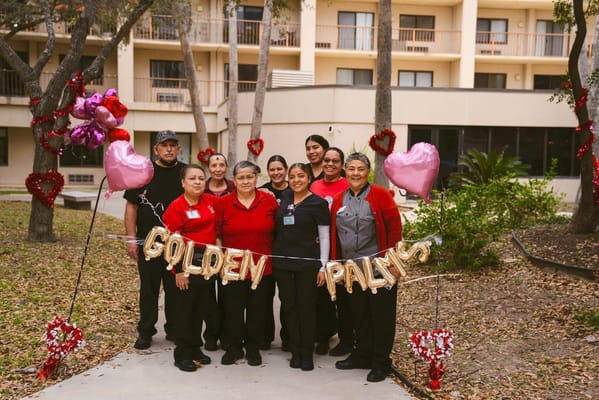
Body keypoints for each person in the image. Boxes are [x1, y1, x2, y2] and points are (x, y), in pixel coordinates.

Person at [330, 152, 403, 383]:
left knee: (380, 315)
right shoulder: (339, 198)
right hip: (352, 269)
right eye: (351, 169)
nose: (355, 173)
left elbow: (395, 229)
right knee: (358, 313)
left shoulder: (381, 195)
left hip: (379, 267)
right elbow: (334, 235)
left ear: (367, 171)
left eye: (360, 169)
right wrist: (336, 266)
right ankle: (361, 354)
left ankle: (380, 361)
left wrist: (393, 262)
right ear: (345, 171)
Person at [124, 130, 185, 350]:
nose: (169, 149)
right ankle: (146, 331)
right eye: (164, 145)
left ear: (179, 149)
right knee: (149, 290)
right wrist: (131, 239)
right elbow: (131, 206)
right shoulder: (143, 172)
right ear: (156, 149)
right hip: (148, 243)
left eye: (172, 145)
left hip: (177, 245)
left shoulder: (185, 173)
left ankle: (175, 329)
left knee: (175, 289)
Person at [215, 161, 279, 366]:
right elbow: (217, 234)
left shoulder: (268, 201)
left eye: (249, 177)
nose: (245, 181)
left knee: (257, 309)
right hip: (232, 268)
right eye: (241, 177)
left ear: (256, 178)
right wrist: (220, 260)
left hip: (262, 268)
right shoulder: (224, 203)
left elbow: (279, 232)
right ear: (234, 180)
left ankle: (253, 348)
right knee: (232, 310)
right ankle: (234, 348)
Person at [272, 163, 331, 371]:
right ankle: (295, 351)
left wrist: (323, 267)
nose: (297, 180)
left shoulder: (318, 203)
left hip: (308, 264)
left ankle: (307, 353)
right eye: (293, 176)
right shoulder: (285, 199)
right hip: (283, 263)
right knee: (289, 307)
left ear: (309, 179)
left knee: (306, 308)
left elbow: (324, 236)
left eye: (301, 176)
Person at [162, 164, 218, 372]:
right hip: (185, 263)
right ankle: (182, 353)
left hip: (207, 264)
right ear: (183, 182)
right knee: (185, 311)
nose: (197, 182)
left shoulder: (211, 201)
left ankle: (195, 348)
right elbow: (171, 241)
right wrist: (179, 271)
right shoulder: (176, 207)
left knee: (200, 309)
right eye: (192, 178)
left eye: (201, 178)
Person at [309, 147, 353, 357]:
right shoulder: (315, 185)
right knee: (322, 295)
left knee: (344, 295)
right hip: (321, 248)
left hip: (344, 248)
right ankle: (323, 336)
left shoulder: (348, 185)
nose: (330, 164)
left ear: (342, 165)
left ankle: (347, 339)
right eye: (327, 160)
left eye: (335, 161)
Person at [258, 154, 291, 350]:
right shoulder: (262, 192)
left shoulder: (295, 189)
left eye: (279, 169)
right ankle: (264, 337)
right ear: (268, 172)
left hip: (289, 250)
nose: (276, 172)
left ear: (285, 170)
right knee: (264, 296)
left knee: (287, 297)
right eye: (272, 169)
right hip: (267, 251)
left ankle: (288, 337)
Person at [202, 152, 234, 350]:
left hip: (229, 250)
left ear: (226, 167)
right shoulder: (201, 188)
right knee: (207, 295)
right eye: (214, 165)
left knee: (227, 294)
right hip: (205, 249)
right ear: (209, 168)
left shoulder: (234, 188)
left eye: (221, 164)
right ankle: (211, 334)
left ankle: (227, 334)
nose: (218, 168)